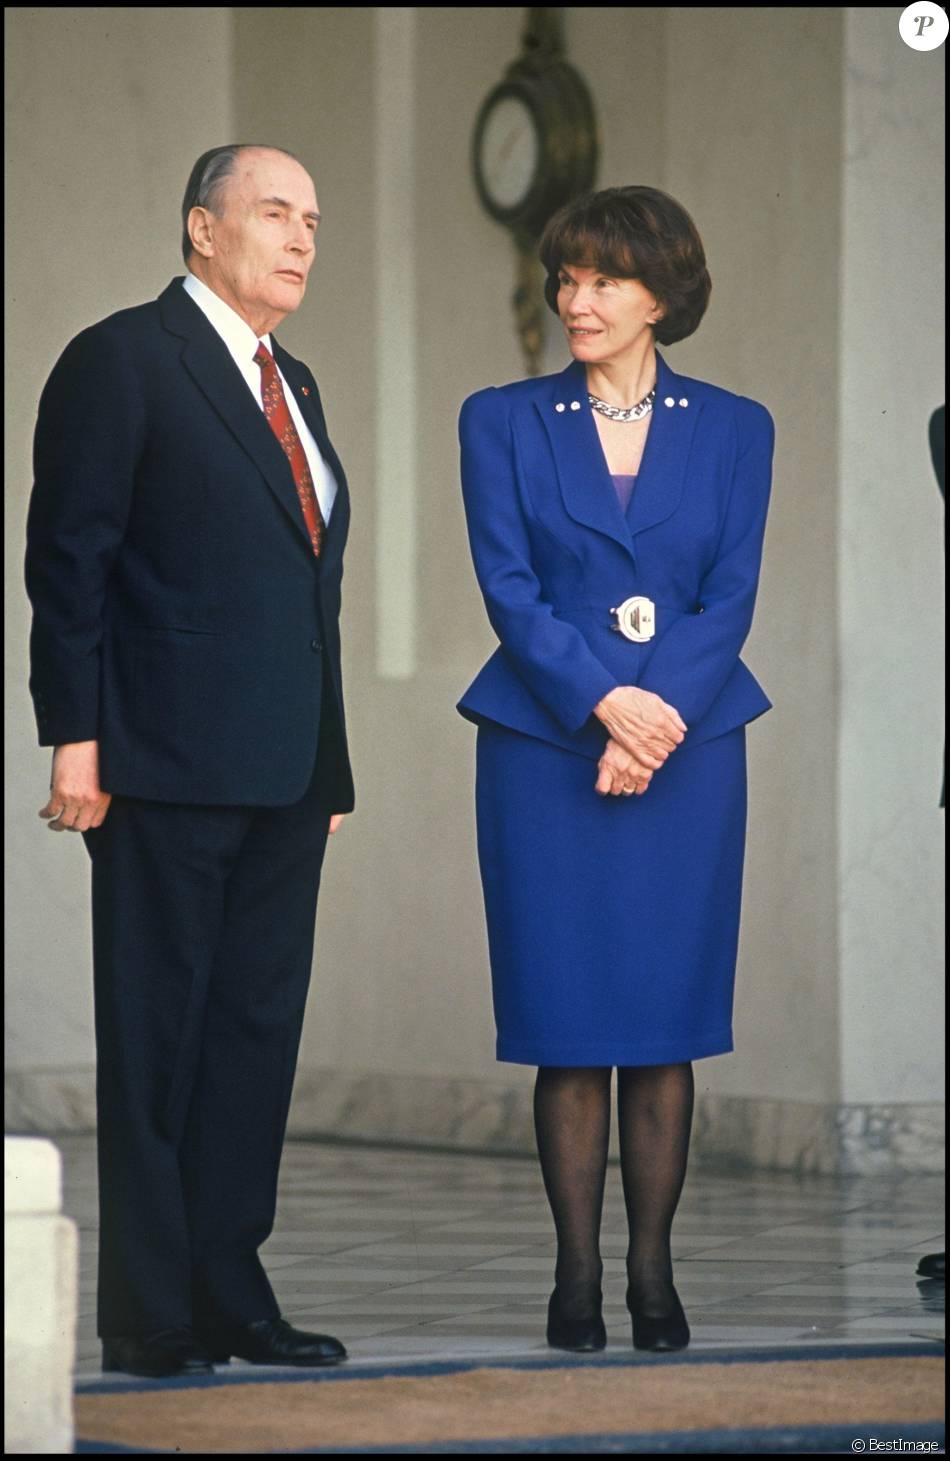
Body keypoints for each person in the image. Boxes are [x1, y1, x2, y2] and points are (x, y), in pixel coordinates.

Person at [25, 144, 354, 1378]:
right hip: (158, 762)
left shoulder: (298, 381)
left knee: (253, 1040)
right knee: (159, 1041)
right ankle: (154, 1315)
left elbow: (309, 596)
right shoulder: (122, 359)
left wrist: (331, 768)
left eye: (313, 219)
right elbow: (71, 561)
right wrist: (77, 736)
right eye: (275, 211)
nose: (302, 236)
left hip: (285, 778)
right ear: (200, 229)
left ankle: (233, 1294)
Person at [457, 186, 774, 1353]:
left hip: (687, 753)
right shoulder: (499, 417)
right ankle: (573, 1278)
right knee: (567, 1015)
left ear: (662, 294)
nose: (574, 300)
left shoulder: (736, 426)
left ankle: (652, 1275)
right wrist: (603, 705)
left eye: (602, 280)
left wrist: (654, 721)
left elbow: (726, 595)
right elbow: (507, 587)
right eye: (565, 277)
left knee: (660, 1020)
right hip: (547, 746)